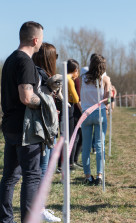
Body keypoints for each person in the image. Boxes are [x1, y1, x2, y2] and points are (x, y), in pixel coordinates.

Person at [0, 21, 44, 223]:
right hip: (25, 129)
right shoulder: (25, 62)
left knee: (9, 176)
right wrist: (46, 101)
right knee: (32, 176)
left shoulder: (9, 60)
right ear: (35, 39)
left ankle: (5, 219)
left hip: (9, 127)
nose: (41, 44)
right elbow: (26, 97)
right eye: (41, 40)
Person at [32, 42, 61, 222]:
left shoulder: (45, 76)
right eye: (54, 57)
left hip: (49, 129)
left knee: (45, 170)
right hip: (43, 130)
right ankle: (38, 209)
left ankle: (40, 207)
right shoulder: (38, 75)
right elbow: (38, 101)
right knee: (42, 171)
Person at [80, 54, 110, 186]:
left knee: (86, 146)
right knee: (99, 145)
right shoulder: (105, 79)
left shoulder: (83, 75)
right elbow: (107, 99)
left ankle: (88, 176)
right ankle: (99, 175)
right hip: (99, 113)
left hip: (86, 113)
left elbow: (86, 68)